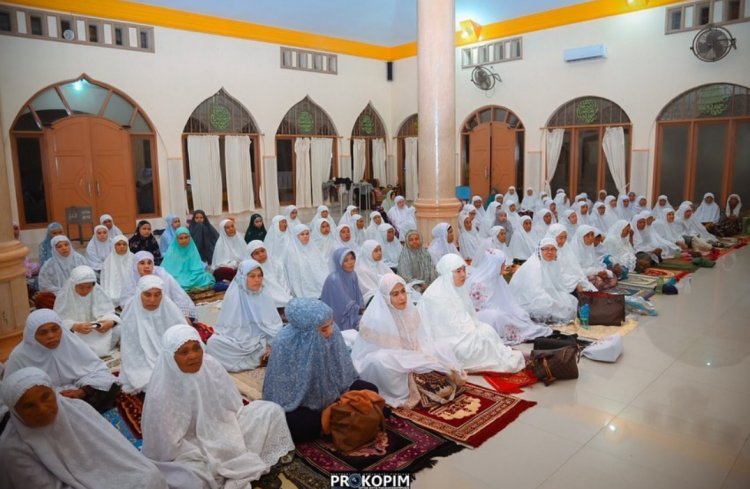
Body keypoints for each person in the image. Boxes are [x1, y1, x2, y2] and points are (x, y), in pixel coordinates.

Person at [142, 325, 294, 488]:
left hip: (226, 428)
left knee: (270, 411)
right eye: (184, 352)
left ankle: (234, 459)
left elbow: (234, 407)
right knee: (190, 478)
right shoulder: (162, 389)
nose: (193, 356)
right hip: (191, 449)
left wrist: (223, 436)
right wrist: (203, 450)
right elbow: (165, 446)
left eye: (196, 348)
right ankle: (226, 465)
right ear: (170, 357)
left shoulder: (210, 365)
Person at [0, 367, 178, 489]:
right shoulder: (12, 448)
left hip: (104, 471)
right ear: (16, 411)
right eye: (29, 406)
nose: (42, 408)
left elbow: (114, 449)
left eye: (46, 397)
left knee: (149, 477)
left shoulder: (76, 409)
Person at [262, 298, 377, 442]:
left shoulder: (332, 330)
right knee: (305, 426)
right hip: (302, 403)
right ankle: (341, 419)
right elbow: (283, 392)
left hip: (337, 392)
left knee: (371, 390)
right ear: (306, 330)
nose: (329, 331)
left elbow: (343, 370)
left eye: (330, 324)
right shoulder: (285, 343)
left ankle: (335, 420)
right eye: (324, 328)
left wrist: (338, 398)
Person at [351, 274, 464, 407]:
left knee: (443, 347)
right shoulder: (374, 319)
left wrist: (418, 353)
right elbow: (382, 350)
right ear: (385, 297)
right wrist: (412, 357)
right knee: (380, 360)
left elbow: (419, 340)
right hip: (390, 357)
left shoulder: (410, 311)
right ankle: (415, 381)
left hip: (410, 353)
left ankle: (423, 374)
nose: (402, 297)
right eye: (395, 294)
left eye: (403, 291)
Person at [417, 254, 525, 373]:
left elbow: (468, 315)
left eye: (464, 270)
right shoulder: (435, 296)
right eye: (458, 271)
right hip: (448, 339)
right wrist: (471, 331)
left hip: (461, 331)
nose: (463, 274)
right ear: (448, 273)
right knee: (477, 343)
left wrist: (474, 327)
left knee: (487, 331)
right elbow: (445, 329)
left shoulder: (457, 288)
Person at [4, 309, 120, 413]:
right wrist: (53, 396)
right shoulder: (19, 357)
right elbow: (12, 394)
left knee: (111, 385)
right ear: (32, 336)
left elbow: (98, 370)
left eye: (55, 329)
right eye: (43, 332)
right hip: (47, 401)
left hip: (79, 389)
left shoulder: (71, 343)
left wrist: (82, 391)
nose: (51, 336)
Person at [206, 260, 283, 372]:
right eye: (252, 276)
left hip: (260, 340)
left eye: (259, 276)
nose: (257, 280)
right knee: (213, 344)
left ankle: (263, 354)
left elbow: (274, 326)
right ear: (243, 277)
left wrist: (269, 343)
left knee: (281, 340)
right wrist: (243, 338)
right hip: (238, 340)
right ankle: (260, 357)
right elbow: (226, 329)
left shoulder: (264, 293)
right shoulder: (233, 295)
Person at [466, 249, 552, 344]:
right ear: (494, 265)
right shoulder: (477, 283)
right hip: (480, 317)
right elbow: (477, 308)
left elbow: (508, 300)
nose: (504, 267)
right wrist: (503, 312)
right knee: (498, 317)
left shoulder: (498, 278)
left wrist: (517, 312)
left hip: (497, 311)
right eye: (502, 265)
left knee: (519, 317)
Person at [119, 275, 186, 393]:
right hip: (142, 363)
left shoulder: (170, 309)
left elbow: (184, 340)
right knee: (150, 382)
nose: (152, 300)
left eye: (157, 294)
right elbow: (130, 352)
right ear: (139, 294)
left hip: (173, 358)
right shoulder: (130, 314)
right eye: (147, 294)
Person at [53, 266, 120, 357]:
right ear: (73, 284)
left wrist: (109, 323)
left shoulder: (97, 291)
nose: (85, 291)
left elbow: (109, 312)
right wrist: (75, 326)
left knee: (119, 328)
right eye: (81, 287)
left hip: (97, 332)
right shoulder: (64, 296)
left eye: (89, 287)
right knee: (63, 338)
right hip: (77, 334)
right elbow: (58, 321)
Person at [509, 239, 578, 324]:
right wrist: (553, 302)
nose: (550, 252)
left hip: (545, 293)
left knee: (571, 300)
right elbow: (535, 292)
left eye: (553, 249)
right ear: (540, 250)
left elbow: (558, 284)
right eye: (546, 249)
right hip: (528, 298)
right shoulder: (534, 265)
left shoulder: (553, 263)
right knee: (544, 306)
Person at [121, 251, 197, 320]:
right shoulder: (131, 279)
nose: (146, 266)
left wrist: (184, 315)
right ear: (135, 265)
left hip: (166, 313)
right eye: (142, 263)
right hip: (140, 316)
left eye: (149, 263)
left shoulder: (162, 274)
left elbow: (178, 294)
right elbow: (126, 303)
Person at [321, 248, 364, 331]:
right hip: (338, 315)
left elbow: (358, 295)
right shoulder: (334, 279)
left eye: (352, 258)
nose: (350, 262)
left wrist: (361, 308)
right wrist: (359, 310)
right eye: (346, 260)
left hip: (353, 312)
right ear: (339, 262)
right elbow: (343, 302)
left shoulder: (353, 274)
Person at [546, 224, 597, 292]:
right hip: (555, 284)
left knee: (588, 288)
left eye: (565, 237)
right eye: (560, 238)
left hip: (569, 280)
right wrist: (575, 283)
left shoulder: (566, 249)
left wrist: (579, 280)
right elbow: (556, 276)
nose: (563, 240)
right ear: (553, 237)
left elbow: (576, 269)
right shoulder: (548, 252)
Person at [161, 227, 216, 292]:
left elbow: (197, 266)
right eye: (181, 238)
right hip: (177, 276)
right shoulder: (172, 251)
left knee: (206, 277)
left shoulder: (192, 248)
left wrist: (193, 275)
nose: (184, 240)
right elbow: (169, 270)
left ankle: (187, 285)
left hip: (192, 275)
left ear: (190, 238)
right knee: (172, 281)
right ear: (176, 239)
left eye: (186, 237)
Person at [284, 224, 329, 298]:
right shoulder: (291, 251)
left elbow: (321, 265)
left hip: (316, 280)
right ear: (296, 236)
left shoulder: (313, 247)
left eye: (307, 234)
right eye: (302, 234)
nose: (305, 236)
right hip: (301, 283)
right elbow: (293, 273)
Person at [246, 241, 292, 308]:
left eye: (262, 251)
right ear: (251, 257)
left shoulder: (276, 264)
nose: (261, 254)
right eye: (256, 253)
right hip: (265, 299)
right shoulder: (251, 271)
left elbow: (284, 283)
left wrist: (286, 295)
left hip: (284, 295)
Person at [571, 225, 618, 290]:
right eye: (587, 235)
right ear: (581, 237)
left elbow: (596, 264)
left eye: (592, 235)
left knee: (612, 276)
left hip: (592, 272)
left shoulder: (590, 247)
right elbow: (578, 271)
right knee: (598, 281)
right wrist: (596, 272)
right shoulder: (575, 250)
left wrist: (602, 271)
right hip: (581, 275)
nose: (591, 238)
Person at [100, 235, 135, 308]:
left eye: (124, 244)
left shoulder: (134, 258)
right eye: (118, 244)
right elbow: (104, 280)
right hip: (114, 291)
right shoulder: (108, 261)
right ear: (114, 246)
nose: (122, 246)